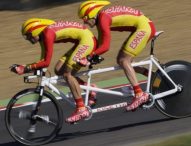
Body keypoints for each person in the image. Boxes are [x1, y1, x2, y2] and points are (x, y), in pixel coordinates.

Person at [10, 18, 98, 123]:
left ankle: (81, 109)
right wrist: (26, 68)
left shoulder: (47, 34)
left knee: (67, 74)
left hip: (87, 40)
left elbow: (46, 62)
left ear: (35, 31)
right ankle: (89, 88)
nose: (28, 39)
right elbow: (43, 61)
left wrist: (25, 68)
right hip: (82, 40)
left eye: (28, 35)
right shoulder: (43, 36)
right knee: (59, 69)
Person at [78, 1, 156, 111]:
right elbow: (100, 45)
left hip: (144, 28)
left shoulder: (103, 19)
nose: (84, 21)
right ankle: (154, 77)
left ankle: (139, 94)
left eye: (85, 17)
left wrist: (89, 57)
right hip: (142, 26)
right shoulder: (102, 19)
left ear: (92, 13)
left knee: (124, 60)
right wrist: (89, 56)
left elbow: (105, 46)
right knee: (122, 61)